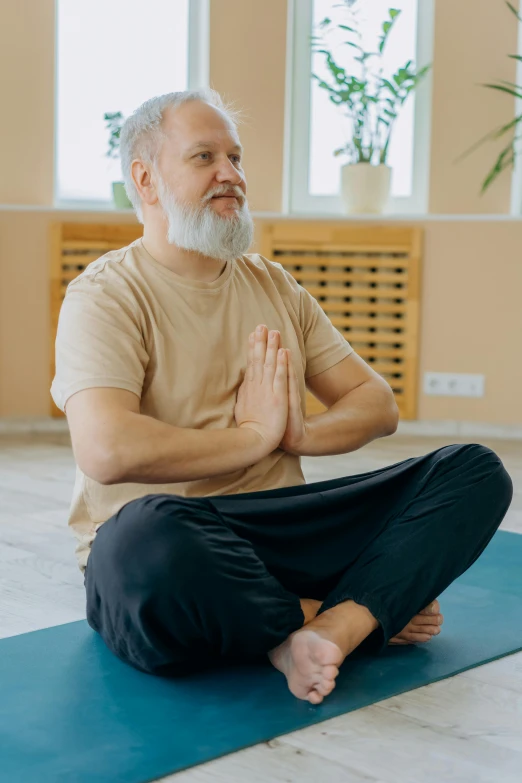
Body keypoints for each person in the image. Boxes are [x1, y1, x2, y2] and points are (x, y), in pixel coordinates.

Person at [51, 89, 513, 705]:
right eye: (205, 157)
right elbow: (107, 450)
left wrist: (299, 436)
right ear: (146, 179)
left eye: (236, 159)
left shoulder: (273, 284)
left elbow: (375, 404)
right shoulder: (105, 296)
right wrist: (250, 440)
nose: (231, 175)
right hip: (176, 547)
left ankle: (329, 628)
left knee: (474, 470)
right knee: (141, 538)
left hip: (282, 531)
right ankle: (353, 614)